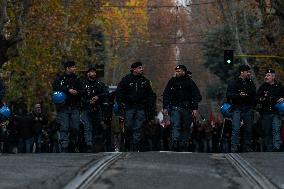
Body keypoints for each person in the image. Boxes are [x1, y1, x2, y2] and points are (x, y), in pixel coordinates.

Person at [116, 61, 155, 151]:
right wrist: (121, 102)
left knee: (138, 126)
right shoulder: (126, 79)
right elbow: (119, 92)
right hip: (129, 107)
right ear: (133, 69)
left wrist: (149, 107)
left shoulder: (145, 81)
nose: (141, 69)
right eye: (139, 68)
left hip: (141, 108)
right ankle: (128, 141)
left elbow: (150, 95)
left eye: (141, 67)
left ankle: (135, 144)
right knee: (128, 125)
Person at [163, 65, 202, 151]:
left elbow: (196, 96)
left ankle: (183, 143)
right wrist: (165, 107)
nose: (177, 73)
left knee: (185, 126)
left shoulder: (190, 82)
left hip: (187, 108)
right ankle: (175, 142)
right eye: (176, 71)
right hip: (175, 107)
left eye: (179, 71)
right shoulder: (172, 82)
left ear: (184, 71)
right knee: (175, 124)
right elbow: (166, 94)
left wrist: (194, 108)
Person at [52, 60, 82, 152]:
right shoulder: (60, 79)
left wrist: (77, 92)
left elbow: (83, 90)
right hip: (63, 108)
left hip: (74, 107)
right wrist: (68, 90)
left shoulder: (78, 79)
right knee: (64, 127)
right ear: (67, 68)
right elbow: (55, 87)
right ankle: (64, 146)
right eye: (72, 67)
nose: (74, 68)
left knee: (75, 127)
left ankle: (73, 143)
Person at [226, 64, 256, 152]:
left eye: (249, 72)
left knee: (249, 129)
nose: (249, 73)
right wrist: (239, 95)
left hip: (247, 108)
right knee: (236, 128)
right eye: (247, 72)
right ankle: (234, 146)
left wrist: (252, 105)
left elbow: (254, 94)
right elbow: (229, 95)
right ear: (242, 72)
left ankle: (247, 145)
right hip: (237, 108)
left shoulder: (250, 82)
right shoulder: (233, 82)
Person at [81, 65, 108, 152]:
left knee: (95, 128)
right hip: (86, 109)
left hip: (97, 109)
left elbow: (106, 93)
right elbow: (80, 96)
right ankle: (89, 144)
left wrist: (98, 97)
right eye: (92, 72)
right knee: (87, 127)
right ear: (88, 73)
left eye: (95, 72)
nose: (94, 73)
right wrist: (88, 102)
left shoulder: (100, 84)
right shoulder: (83, 84)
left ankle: (93, 144)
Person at [256, 69, 284, 152]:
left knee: (276, 130)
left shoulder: (279, 86)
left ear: (273, 76)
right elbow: (257, 98)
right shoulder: (263, 87)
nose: (266, 77)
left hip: (276, 112)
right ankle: (269, 149)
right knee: (267, 131)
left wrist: (283, 98)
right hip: (265, 113)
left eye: (268, 75)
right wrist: (263, 99)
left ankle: (277, 147)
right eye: (265, 75)